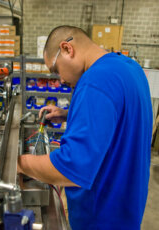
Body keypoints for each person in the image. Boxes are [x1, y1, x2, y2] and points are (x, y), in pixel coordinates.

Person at [17, 25, 153, 230]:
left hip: (101, 217)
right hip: (126, 209)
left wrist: (19, 163)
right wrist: (69, 114)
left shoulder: (94, 82)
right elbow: (121, 120)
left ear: (67, 49)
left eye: (56, 70)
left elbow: (71, 169)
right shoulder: (129, 67)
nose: (61, 80)